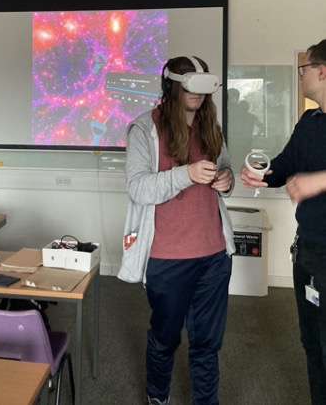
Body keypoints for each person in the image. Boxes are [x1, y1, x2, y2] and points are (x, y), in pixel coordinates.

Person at [118, 55, 235, 405]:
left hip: (214, 255)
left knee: (207, 344)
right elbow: (138, 188)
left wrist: (226, 181)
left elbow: (224, 169)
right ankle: (158, 397)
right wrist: (186, 174)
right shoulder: (143, 129)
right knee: (166, 338)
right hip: (167, 259)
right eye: (189, 83)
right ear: (172, 84)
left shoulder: (211, 126)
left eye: (202, 84)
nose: (196, 93)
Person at [240, 38, 326, 405]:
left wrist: (319, 179)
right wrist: (262, 174)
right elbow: (286, 164)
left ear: (322, 71)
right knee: (312, 342)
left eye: (304, 68)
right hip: (307, 248)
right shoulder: (309, 120)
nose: (301, 74)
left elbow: (312, 178)